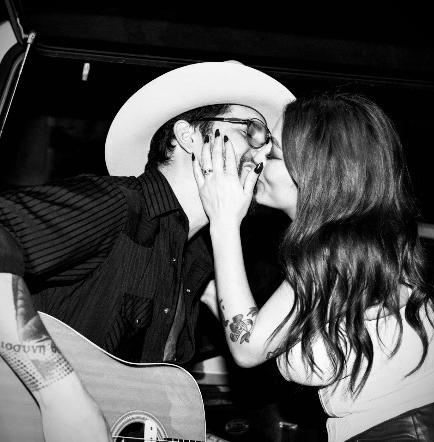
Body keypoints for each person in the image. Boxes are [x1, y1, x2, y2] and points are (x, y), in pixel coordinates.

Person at [0, 61, 295, 441]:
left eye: (267, 140)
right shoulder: (119, 206)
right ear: (189, 137)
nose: (263, 152)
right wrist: (61, 396)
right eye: (251, 131)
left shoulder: (195, 262)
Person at [193, 92, 434, 441]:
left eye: (273, 153)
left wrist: (224, 220)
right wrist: (207, 292)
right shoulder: (351, 246)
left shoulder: (339, 252)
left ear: (313, 174)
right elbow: (256, 333)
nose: (257, 157)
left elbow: (248, 346)